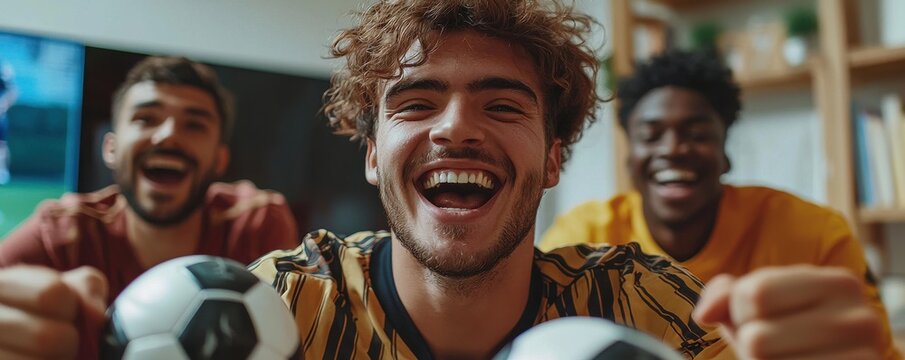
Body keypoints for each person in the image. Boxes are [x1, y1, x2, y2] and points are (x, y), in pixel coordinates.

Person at [0, 3, 886, 360]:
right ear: (372, 151)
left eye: (502, 106)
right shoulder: (277, 311)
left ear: (556, 155)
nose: (456, 126)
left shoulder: (645, 307)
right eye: (417, 101)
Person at [539, 50, 900, 359]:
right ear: (630, 161)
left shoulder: (814, 235)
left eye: (697, 135)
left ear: (725, 153)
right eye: (650, 136)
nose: (674, 149)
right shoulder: (583, 240)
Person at [0, 56, 298, 301]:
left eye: (194, 125)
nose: (168, 134)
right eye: (146, 118)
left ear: (220, 160)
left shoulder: (256, 227)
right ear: (111, 149)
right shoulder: (62, 236)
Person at [0, 60, 18, 185]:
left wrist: (3, 106)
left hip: (1, 117)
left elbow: (13, 91)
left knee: (1, 146)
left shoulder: (4, 70)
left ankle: (2, 171)